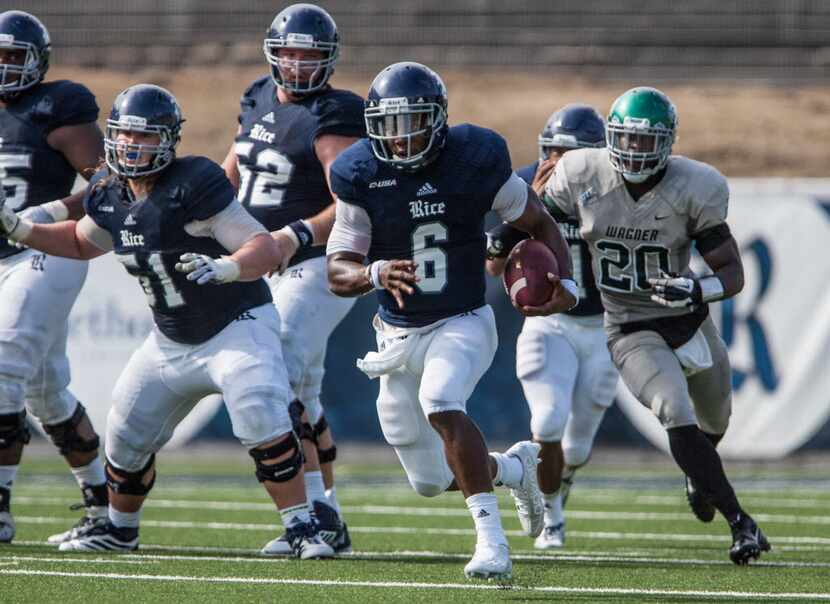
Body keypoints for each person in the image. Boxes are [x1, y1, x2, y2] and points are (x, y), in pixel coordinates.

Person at [0, 83, 334, 559]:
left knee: (259, 407)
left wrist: (230, 267)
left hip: (236, 324)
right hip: (171, 339)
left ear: (170, 140)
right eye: (127, 136)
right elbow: (79, 242)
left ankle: (303, 527)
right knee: (125, 435)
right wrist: (18, 228)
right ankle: (119, 528)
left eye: (147, 137)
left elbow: (261, 244)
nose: (134, 146)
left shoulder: (194, 181)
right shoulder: (111, 193)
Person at [326, 62, 578, 580]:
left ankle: (492, 544)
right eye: (388, 125)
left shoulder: (474, 160)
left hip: (462, 319)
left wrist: (567, 284)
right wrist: (374, 271)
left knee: (440, 400)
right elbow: (338, 270)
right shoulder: (359, 173)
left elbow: (536, 220)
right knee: (427, 479)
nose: (399, 139)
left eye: (411, 122)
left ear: (437, 119)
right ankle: (512, 468)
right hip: (395, 335)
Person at [543, 86, 770, 565]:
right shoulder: (584, 173)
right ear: (609, 138)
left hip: (689, 320)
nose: (635, 151)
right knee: (673, 408)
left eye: (647, 142)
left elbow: (732, 272)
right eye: (626, 139)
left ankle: (698, 475)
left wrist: (698, 289)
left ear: (668, 143)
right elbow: (537, 217)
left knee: (716, 420)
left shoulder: (695, 185)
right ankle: (740, 523)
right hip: (630, 324)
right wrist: (500, 243)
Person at [221, 3, 364, 554]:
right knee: (300, 391)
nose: (299, 64)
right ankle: (325, 515)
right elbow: (233, 167)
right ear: (273, 54)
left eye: (311, 54)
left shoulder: (336, 114)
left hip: (315, 263)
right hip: (262, 259)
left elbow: (349, 203)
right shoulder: (257, 94)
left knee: (277, 375)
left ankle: (313, 515)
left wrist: (295, 235)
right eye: (290, 52)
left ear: (329, 60)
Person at [485, 104, 619, 549]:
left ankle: (562, 487)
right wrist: (529, 209)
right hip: (551, 324)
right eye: (554, 151)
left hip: (603, 325)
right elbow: (492, 265)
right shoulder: (523, 183)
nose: (560, 163)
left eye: (573, 154)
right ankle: (552, 512)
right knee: (547, 421)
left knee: (577, 448)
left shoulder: (617, 188)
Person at [0, 10, 109, 545]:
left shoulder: (57, 107)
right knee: (47, 393)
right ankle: (102, 501)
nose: (3, 68)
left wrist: (46, 212)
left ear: (38, 62)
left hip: (45, 250)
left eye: (13, 57)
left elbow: (112, 184)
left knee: (2, 365)